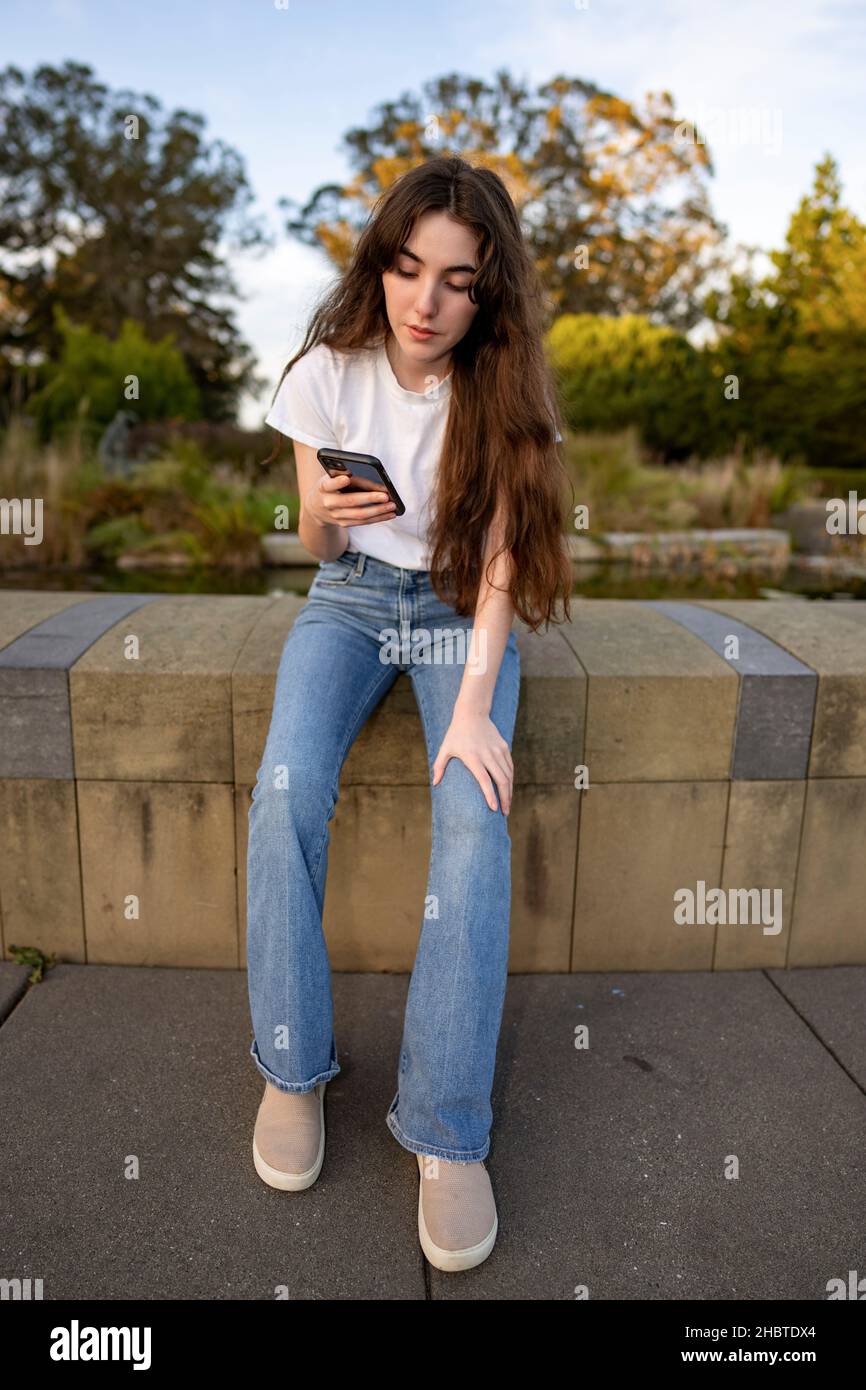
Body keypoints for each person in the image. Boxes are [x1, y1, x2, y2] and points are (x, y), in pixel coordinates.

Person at [246, 154, 572, 1273]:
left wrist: (472, 707)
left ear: (490, 292)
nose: (424, 302)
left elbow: (499, 560)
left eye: (457, 280)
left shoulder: (503, 389)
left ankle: (445, 1132)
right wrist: (325, 516)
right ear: (379, 264)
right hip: (347, 597)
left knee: (472, 814)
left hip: (450, 603)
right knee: (285, 786)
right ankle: (292, 1069)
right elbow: (315, 544)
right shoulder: (324, 371)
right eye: (405, 268)